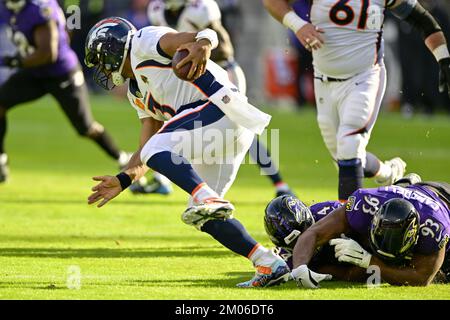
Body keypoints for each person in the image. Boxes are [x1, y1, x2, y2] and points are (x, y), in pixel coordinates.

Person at [85, 17, 291, 288]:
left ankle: (208, 197)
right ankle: (268, 262)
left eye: (101, 59)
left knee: (189, 186)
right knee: (202, 216)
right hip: (221, 130)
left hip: (219, 107)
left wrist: (204, 43)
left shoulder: (143, 42)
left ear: (113, 47)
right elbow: (146, 147)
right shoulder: (136, 93)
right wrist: (123, 179)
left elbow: (200, 35)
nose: (102, 68)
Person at [263, 0, 450, 202]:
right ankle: (388, 173)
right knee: (344, 157)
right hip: (324, 80)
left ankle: (349, 225)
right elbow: (272, 1)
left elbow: (423, 21)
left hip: (365, 77)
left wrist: (444, 58)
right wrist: (297, 25)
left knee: (349, 144)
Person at [146, 0, 295, 198]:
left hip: (222, 73)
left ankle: (280, 184)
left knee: (242, 127)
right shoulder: (156, 10)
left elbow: (224, 48)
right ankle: (161, 179)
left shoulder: (201, 8)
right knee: (168, 118)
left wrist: (196, 50)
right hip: (189, 78)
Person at [0, 0, 130, 183]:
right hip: (34, 73)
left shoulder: (40, 8)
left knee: (85, 127)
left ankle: (122, 157)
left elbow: (48, 53)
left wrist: (13, 61)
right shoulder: (7, 6)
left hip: (61, 74)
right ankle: (1, 161)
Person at [288, 173, 450, 288]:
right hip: (412, 194)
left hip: (443, 199)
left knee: (444, 275)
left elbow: (422, 278)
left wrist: (369, 261)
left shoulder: (436, 226)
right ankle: (402, 185)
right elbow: (314, 232)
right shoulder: (363, 203)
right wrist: (300, 267)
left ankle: (403, 184)